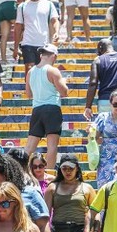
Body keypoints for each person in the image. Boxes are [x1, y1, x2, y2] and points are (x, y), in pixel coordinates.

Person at [23, 43, 69, 174]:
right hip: (52, 108)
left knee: (30, 145)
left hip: (37, 109)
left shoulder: (31, 72)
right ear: (54, 56)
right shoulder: (53, 71)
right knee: (52, 145)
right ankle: (49, 174)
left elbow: (28, 94)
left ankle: (20, 171)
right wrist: (64, 83)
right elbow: (64, 92)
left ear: (41, 55)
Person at [13, 0, 60, 81]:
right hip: (28, 43)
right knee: (29, 69)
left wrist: (56, 32)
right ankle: (30, 95)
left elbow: (55, 20)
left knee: (43, 71)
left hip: (43, 43)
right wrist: (16, 47)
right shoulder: (22, 6)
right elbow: (18, 27)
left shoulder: (48, 5)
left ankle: (39, 95)